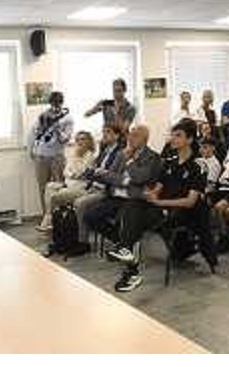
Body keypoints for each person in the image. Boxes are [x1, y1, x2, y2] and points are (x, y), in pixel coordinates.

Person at [108, 121, 217, 292]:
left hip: (185, 212)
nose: (173, 139)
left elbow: (190, 201)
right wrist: (150, 195)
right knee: (133, 206)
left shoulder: (198, 165)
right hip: (164, 207)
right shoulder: (169, 161)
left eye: (178, 135)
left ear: (189, 139)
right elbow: (159, 187)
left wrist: (159, 202)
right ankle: (128, 256)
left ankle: (130, 265)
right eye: (172, 135)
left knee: (134, 219)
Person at [81, 124, 162, 285]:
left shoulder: (152, 157)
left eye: (135, 135)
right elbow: (109, 175)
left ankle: (127, 252)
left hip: (134, 200)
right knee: (90, 215)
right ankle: (120, 241)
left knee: (126, 218)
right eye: (130, 134)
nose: (130, 138)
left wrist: (129, 162)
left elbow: (141, 177)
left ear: (145, 139)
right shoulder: (120, 153)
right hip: (116, 196)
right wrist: (125, 181)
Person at [70, 124, 125, 246]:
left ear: (117, 135)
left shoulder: (120, 152)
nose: (104, 134)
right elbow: (94, 170)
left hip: (105, 190)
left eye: (108, 132)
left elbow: (111, 175)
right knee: (70, 199)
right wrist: (93, 173)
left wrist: (97, 173)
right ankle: (71, 238)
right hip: (93, 186)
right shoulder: (104, 150)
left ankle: (83, 242)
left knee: (79, 204)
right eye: (103, 131)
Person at [36, 131, 95, 232]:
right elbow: (66, 171)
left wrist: (75, 165)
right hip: (68, 184)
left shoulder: (90, 156)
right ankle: (50, 219)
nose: (79, 142)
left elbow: (81, 172)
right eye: (77, 140)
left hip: (80, 188)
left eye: (83, 139)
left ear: (89, 141)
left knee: (55, 196)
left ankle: (50, 222)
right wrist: (72, 173)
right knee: (49, 186)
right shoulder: (74, 154)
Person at [29, 91, 74, 216]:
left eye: (58, 104)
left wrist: (57, 128)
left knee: (58, 187)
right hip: (41, 156)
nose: (55, 107)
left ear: (62, 103)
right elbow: (36, 133)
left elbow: (65, 139)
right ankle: (46, 216)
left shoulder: (67, 118)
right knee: (42, 188)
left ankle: (59, 217)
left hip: (57, 157)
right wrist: (32, 150)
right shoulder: (43, 115)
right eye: (53, 104)